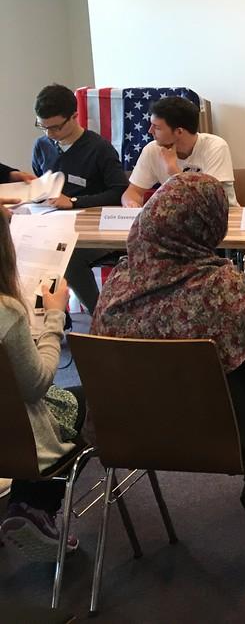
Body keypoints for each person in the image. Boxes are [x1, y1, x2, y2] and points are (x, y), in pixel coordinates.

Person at [93, 174, 245, 556]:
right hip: (218, 438)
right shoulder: (230, 289)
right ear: (210, 225)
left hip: (129, 432)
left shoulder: (117, 285)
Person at [0, 212, 86, 560]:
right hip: (16, 437)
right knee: (89, 406)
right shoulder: (7, 311)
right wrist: (54, 316)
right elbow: (36, 385)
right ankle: (34, 505)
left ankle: (24, 504)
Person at [30, 84, 129, 317]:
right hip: (53, 223)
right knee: (28, 250)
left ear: (74, 116)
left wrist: (74, 201)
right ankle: (51, 318)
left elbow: (119, 192)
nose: (49, 134)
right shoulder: (42, 146)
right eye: (42, 126)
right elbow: (40, 181)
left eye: (55, 127)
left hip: (94, 230)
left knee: (68, 258)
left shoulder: (99, 148)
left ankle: (102, 318)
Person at [122, 96, 237, 207]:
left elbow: (210, 202)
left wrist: (173, 171)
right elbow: (133, 192)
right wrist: (131, 203)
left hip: (223, 215)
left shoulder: (215, 146)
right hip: (179, 217)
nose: (150, 131)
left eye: (157, 127)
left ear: (179, 132)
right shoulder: (152, 149)